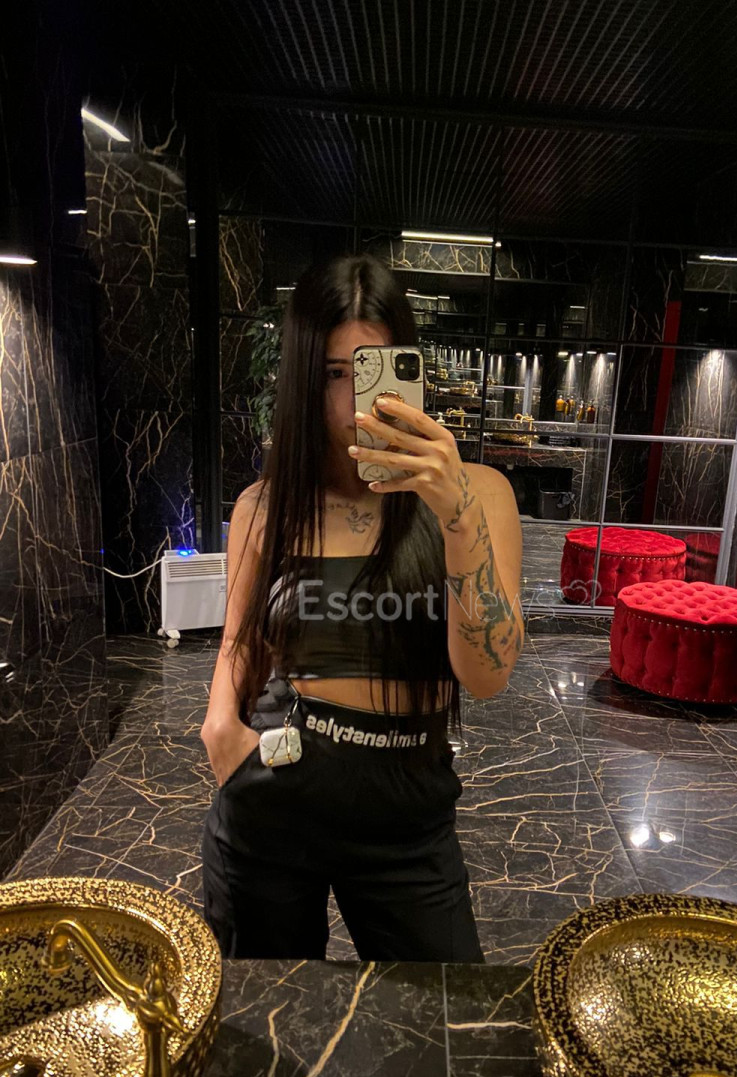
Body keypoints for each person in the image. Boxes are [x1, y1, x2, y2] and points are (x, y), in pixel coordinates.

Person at [200, 253, 523, 962]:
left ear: (410, 370)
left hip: (408, 814)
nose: (354, 402)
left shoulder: (479, 494)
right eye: (331, 374)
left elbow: (488, 673)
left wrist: (456, 514)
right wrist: (221, 727)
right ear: (302, 381)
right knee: (267, 1020)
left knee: (444, 1018)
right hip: (274, 794)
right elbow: (241, 641)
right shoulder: (265, 506)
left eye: (373, 369)